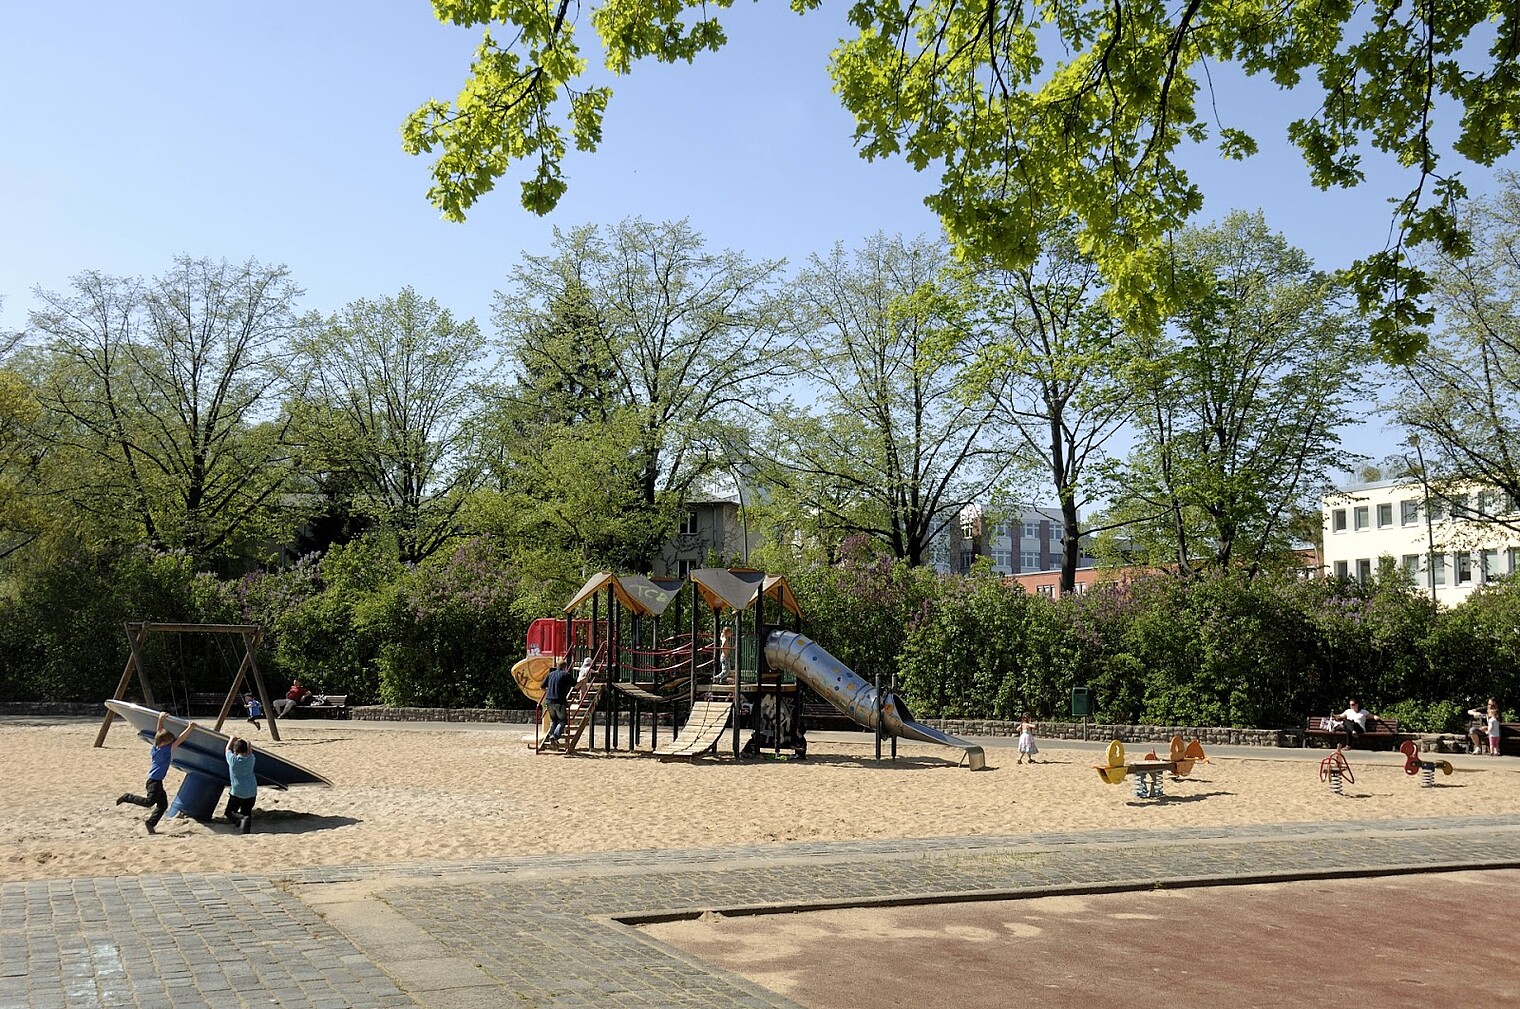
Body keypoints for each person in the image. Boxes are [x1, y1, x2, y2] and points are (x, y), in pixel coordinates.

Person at [116, 710, 195, 834]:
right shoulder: (165, 750)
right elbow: (180, 740)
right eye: (170, 740)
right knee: (149, 802)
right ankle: (127, 797)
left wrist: (161, 719)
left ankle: (150, 823)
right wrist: (190, 728)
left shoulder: (156, 747)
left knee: (163, 805)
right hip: (154, 782)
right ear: (164, 743)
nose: (172, 742)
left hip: (157, 781)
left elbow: (159, 733)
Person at [224, 734, 257, 834]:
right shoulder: (251, 760)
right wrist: (248, 742)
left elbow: (227, 749)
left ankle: (241, 820)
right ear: (247, 750)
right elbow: (249, 750)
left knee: (230, 812)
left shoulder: (233, 761)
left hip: (237, 793)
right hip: (251, 792)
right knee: (246, 811)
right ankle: (245, 831)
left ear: (235, 751)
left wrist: (231, 738)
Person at [542, 660, 575, 744]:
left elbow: (542, 687)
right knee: (562, 720)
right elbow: (576, 685)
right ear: (565, 667)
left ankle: (551, 735)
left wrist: (549, 691)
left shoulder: (550, 674)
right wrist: (582, 680)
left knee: (554, 720)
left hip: (549, 701)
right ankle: (555, 736)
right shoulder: (566, 674)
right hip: (559, 701)